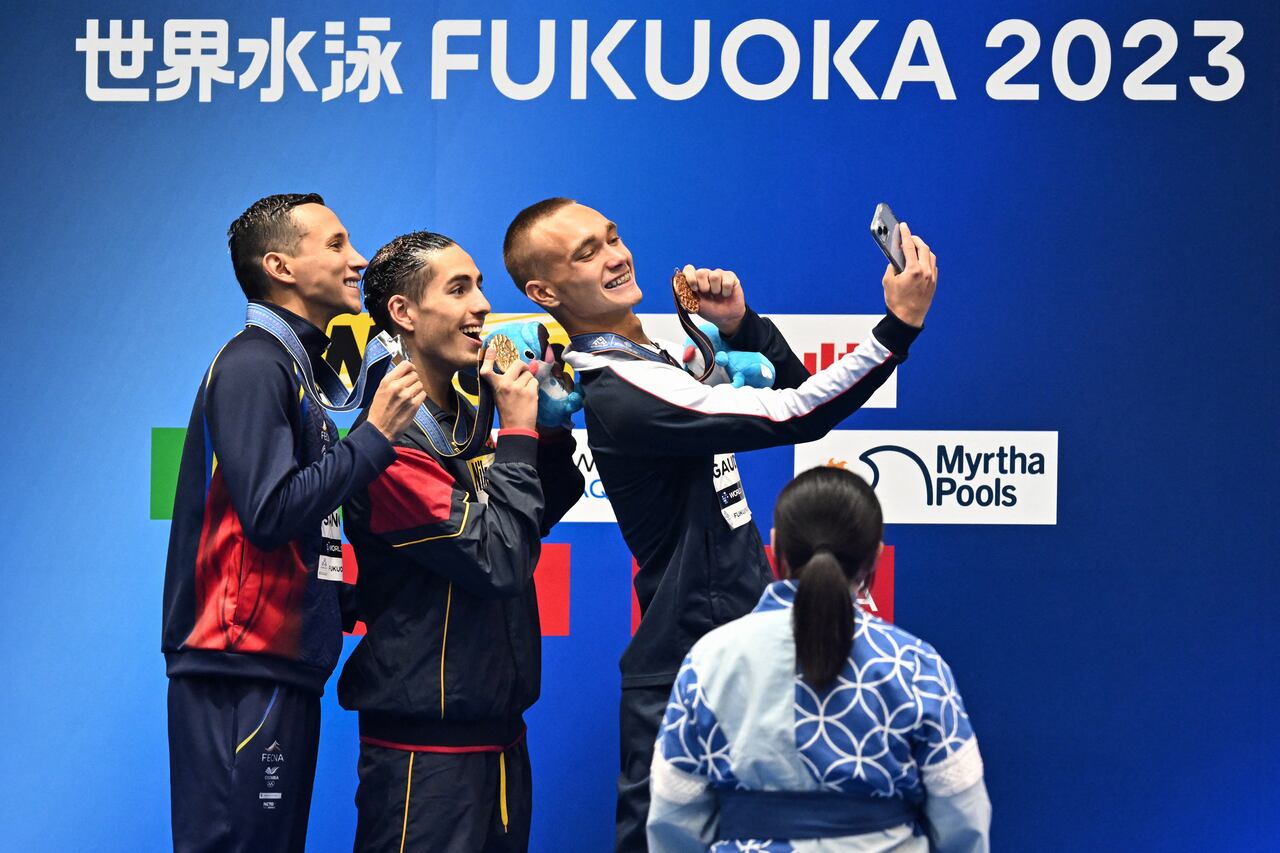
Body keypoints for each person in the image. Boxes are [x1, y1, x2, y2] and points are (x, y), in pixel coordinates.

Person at [502, 197, 938, 851]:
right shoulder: (622, 387)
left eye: (613, 236)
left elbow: (790, 390)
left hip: (727, 649)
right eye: (585, 252)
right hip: (690, 660)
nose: (616, 255)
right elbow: (798, 412)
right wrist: (896, 328)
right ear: (544, 290)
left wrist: (740, 328)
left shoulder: (647, 365)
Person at [161, 193, 425, 852]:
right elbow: (271, 512)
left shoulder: (293, 369)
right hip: (240, 666)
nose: (357, 258)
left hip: (274, 665)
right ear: (279, 266)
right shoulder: (255, 362)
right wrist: (375, 436)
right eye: (335, 244)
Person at [337, 230, 584, 852]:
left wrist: (547, 434)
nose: (482, 306)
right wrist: (520, 434)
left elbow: (522, 523)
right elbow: (497, 558)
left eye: (480, 286)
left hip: (500, 742)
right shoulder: (390, 444)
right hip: (426, 762)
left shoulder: (464, 417)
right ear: (403, 314)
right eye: (458, 289)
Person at [648, 466, 991, 851]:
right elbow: (962, 816)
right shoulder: (914, 665)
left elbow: (672, 813)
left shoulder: (708, 662)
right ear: (875, 555)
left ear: (776, 548)